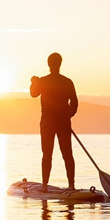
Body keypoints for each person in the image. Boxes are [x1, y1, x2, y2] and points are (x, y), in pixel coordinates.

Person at [30, 52, 78, 192]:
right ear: (60, 64)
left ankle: (45, 186)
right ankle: (71, 186)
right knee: (67, 154)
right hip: (61, 122)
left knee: (47, 154)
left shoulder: (43, 81)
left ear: (49, 64)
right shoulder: (67, 81)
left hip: (48, 123)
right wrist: (67, 115)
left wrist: (33, 83)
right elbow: (74, 104)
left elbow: (33, 94)